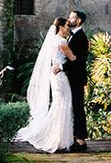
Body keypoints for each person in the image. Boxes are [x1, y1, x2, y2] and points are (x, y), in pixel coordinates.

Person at [14, 17, 77, 153]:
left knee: (59, 104)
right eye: (67, 26)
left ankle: (59, 138)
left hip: (54, 76)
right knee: (63, 105)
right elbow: (73, 58)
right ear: (60, 27)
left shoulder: (53, 41)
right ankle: (57, 139)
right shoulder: (61, 42)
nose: (68, 28)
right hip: (60, 77)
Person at [63, 9, 89, 152]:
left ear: (78, 20)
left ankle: (81, 141)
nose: (69, 19)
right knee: (73, 108)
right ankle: (75, 138)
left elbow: (78, 61)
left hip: (77, 78)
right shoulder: (72, 35)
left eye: (71, 17)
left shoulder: (81, 37)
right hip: (71, 77)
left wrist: (62, 67)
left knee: (78, 108)